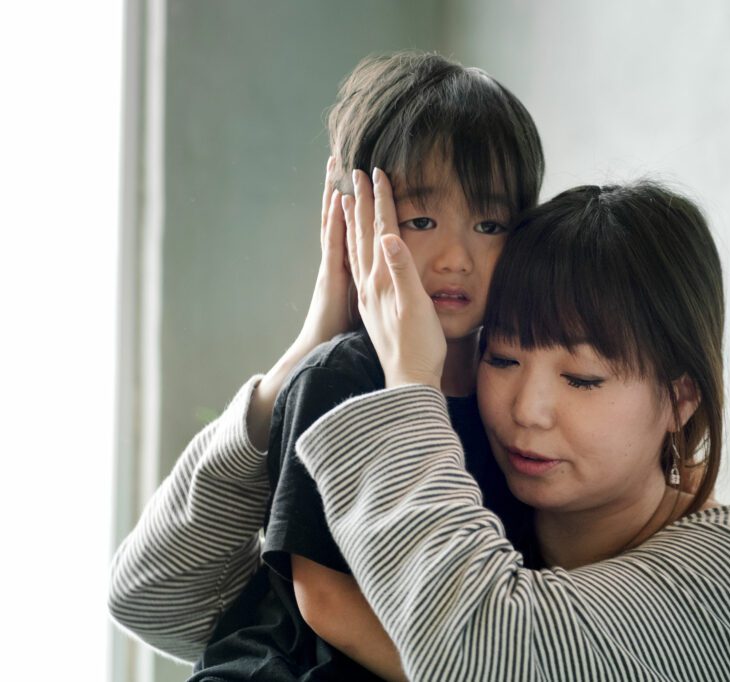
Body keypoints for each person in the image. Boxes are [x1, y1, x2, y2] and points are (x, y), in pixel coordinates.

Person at [285, 171, 730, 680]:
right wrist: (304, 354)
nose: (528, 410)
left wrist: (411, 379)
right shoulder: (487, 522)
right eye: (501, 359)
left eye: (582, 379)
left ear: (680, 398)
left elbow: (487, 649)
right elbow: (198, 606)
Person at [109, 51, 543, 681]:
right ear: (354, 221)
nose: (457, 257)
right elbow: (322, 599)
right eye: (421, 220)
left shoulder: (512, 391)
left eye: (490, 223)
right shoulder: (338, 377)